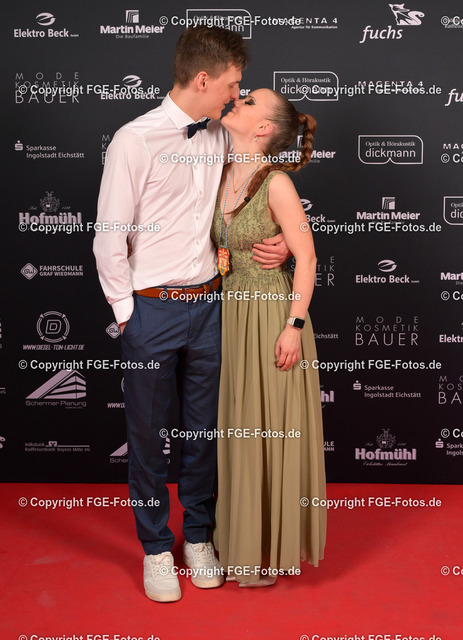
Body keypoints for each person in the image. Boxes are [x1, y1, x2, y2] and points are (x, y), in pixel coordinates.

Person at [93, 27, 289, 603]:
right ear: (204, 79)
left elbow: (255, 189)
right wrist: (127, 314)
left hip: (209, 307)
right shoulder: (134, 140)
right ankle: (156, 548)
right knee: (148, 438)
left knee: (204, 434)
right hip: (151, 310)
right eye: (232, 85)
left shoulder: (221, 133)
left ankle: (198, 537)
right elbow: (109, 237)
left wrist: (282, 239)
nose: (236, 94)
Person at [211, 88, 327, 586]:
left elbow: (308, 257)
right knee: (239, 426)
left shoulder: (277, 183)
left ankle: (270, 546)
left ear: (263, 129)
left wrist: (293, 327)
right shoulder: (219, 169)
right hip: (228, 316)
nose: (238, 99)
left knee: (268, 427)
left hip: (270, 316)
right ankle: (239, 540)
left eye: (251, 101)